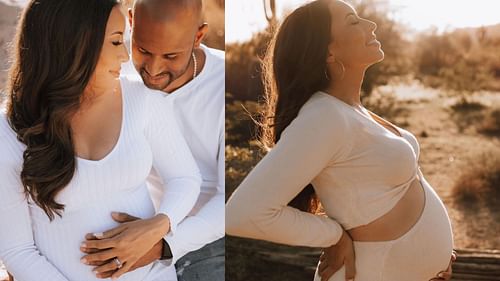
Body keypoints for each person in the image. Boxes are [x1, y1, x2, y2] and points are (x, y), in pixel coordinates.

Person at [226, 1, 455, 280]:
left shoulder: (347, 109)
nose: (370, 25)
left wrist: (433, 256)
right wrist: (333, 236)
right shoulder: (323, 117)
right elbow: (241, 214)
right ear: (328, 50)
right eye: (353, 21)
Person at [0, 0, 201, 280]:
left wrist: (159, 225)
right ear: (75, 44)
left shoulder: (141, 100)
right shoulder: (10, 131)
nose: (125, 57)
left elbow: (185, 178)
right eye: (117, 42)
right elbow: (17, 250)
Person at [79, 0, 225, 280]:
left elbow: (229, 199)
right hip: (129, 225)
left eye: (171, 56)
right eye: (143, 50)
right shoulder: (113, 68)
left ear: (198, 36)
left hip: (209, 237)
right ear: (132, 21)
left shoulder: (222, 83)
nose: (154, 69)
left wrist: (163, 244)